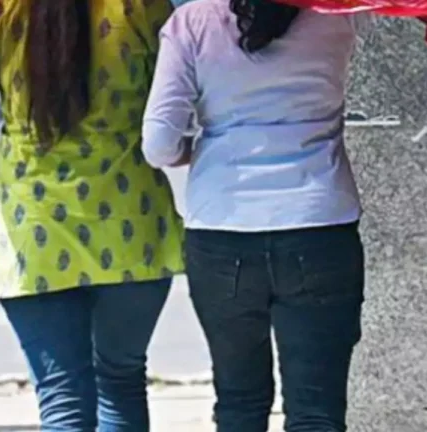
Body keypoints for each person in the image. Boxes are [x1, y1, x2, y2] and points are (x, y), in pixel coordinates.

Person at [0, 0, 184, 430]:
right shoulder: (141, 6)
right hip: (131, 227)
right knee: (121, 384)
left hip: (33, 234)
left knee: (62, 395)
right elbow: (172, 106)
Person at [142, 0, 371, 431]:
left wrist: (197, 150)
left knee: (239, 402)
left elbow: (158, 144)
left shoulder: (192, 23)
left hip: (222, 228)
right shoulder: (339, 12)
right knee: (316, 410)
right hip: (319, 222)